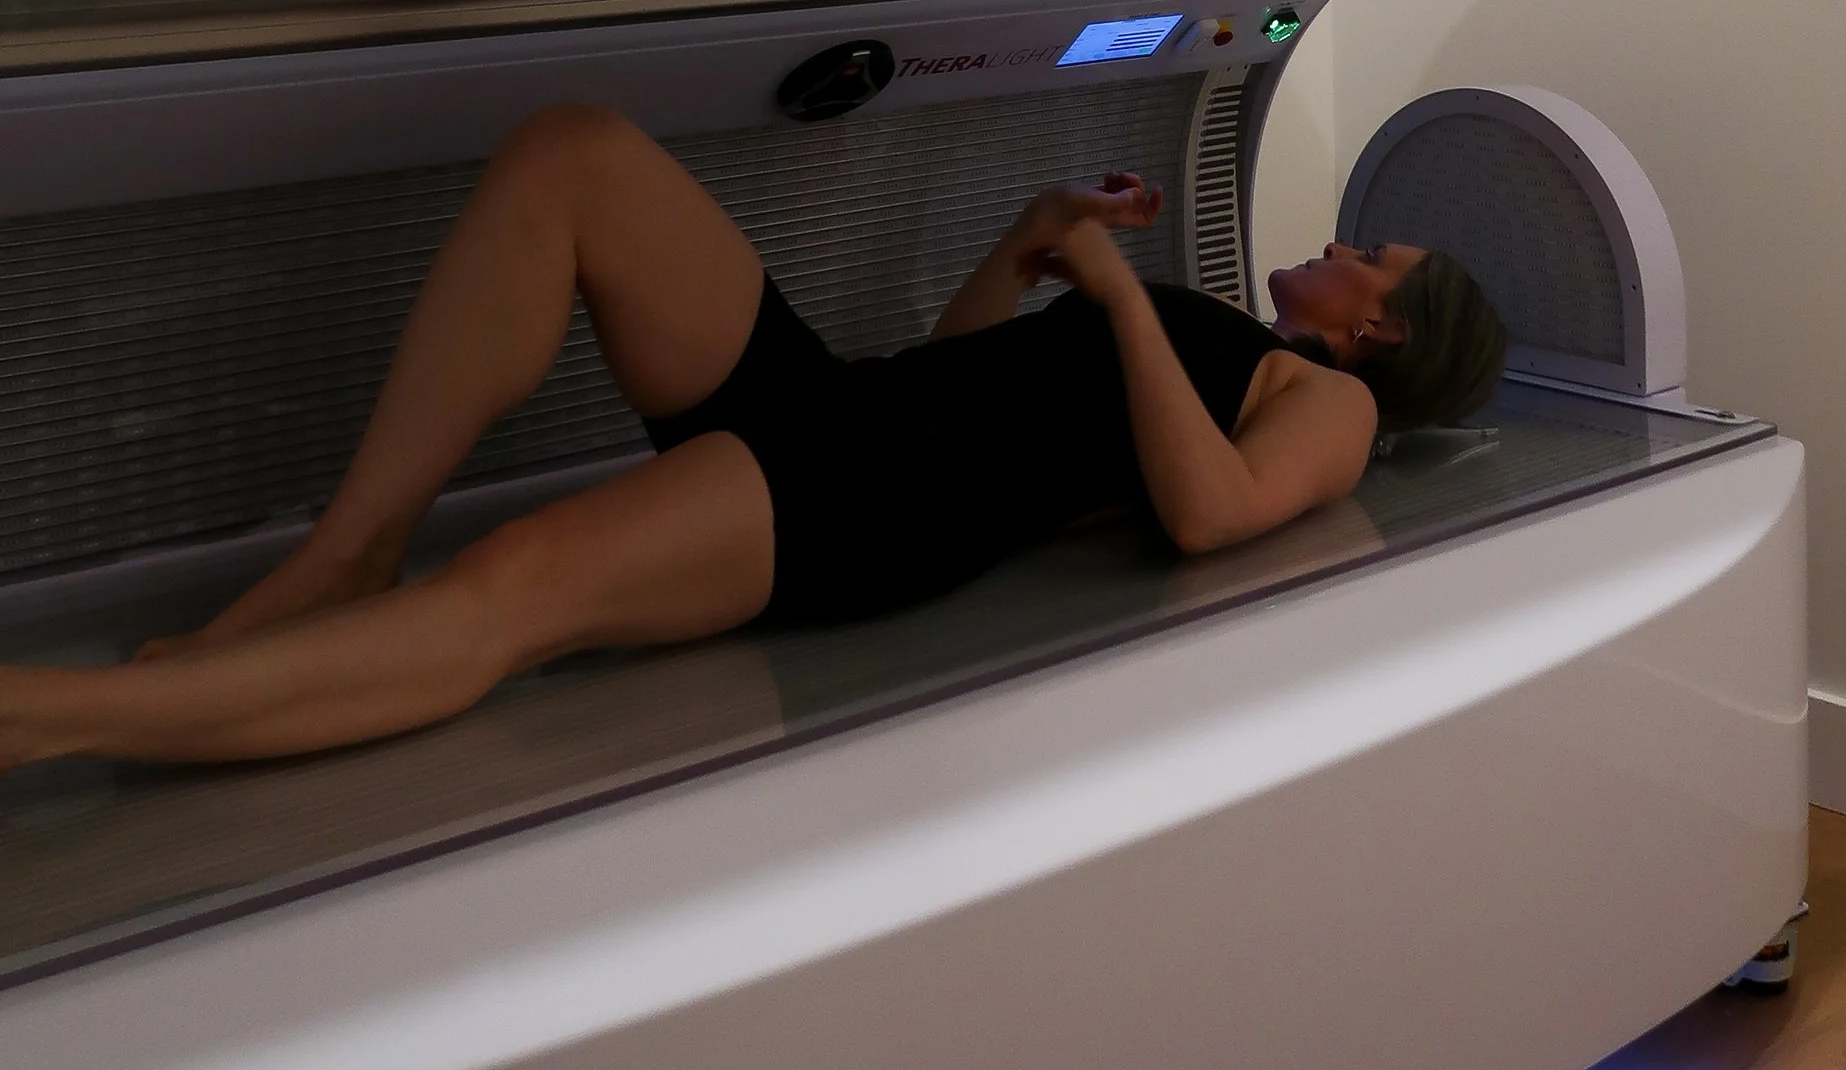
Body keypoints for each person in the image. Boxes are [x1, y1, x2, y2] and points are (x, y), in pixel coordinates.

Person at [0, 104, 1507, 777]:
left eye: (1369, 259)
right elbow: (969, 364)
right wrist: (1036, 236)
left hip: (879, 495)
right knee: (576, 154)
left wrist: (1116, 293)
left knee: (520, 582)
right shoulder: (1222, 343)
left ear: (1382, 332)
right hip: (858, 407)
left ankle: (54, 717)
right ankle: (355, 546)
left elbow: (1214, 513)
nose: (1341, 249)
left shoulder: (1336, 407)